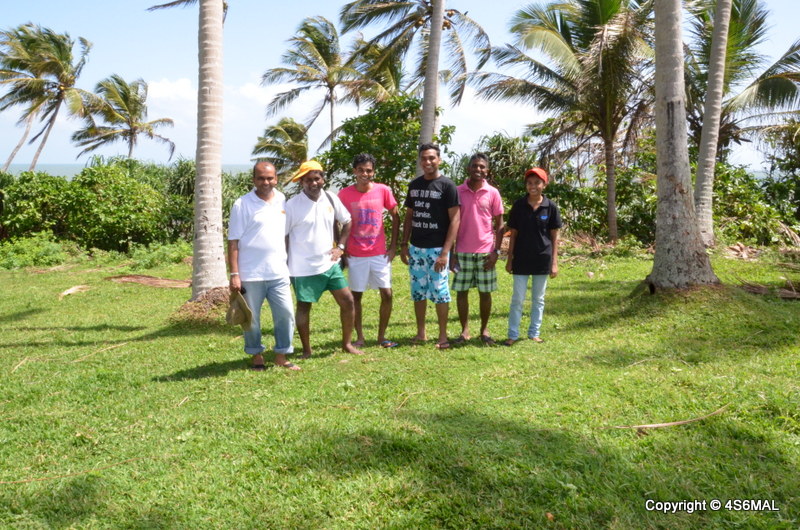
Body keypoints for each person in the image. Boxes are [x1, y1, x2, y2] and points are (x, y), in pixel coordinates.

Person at [285, 160, 364, 357]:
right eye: (308, 180)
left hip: (330, 264)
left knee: (348, 300)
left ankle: (347, 344)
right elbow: (283, 236)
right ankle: (307, 350)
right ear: (301, 182)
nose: (314, 183)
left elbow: (347, 221)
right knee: (304, 307)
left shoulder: (330, 198)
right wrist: (284, 263)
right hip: (302, 268)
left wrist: (341, 247)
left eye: (317, 179)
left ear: (323, 179)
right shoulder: (292, 205)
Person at [228, 161, 299, 370]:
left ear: (276, 179)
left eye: (270, 178)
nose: (265, 182)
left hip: (278, 272)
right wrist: (234, 274)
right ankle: (256, 355)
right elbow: (233, 242)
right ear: (254, 180)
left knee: (286, 314)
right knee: (251, 319)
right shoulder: (242, 204)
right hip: (251, 273)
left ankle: (282, 355)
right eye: (261, 178)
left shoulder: (282, 200)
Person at [400, 143, 460, 349]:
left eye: (432, 158)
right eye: (424, 158)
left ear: (439, 160)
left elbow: (455, 220)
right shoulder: (414, 185)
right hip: (416, 248)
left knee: (440, 293)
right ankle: (421, 333)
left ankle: (443, 336)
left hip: (437, 249)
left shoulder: (447, 186)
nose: (428, 162)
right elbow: (409, 215)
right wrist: (404, 243)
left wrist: (445, 252)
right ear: (420, 161)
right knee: (418, 291)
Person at [337, 153, 400, 348]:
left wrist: (393, 247)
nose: (365, 174)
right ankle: (360, 337)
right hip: (355, 254)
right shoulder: (344, 194)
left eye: (369, 170)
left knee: (387, 294)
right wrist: (341, 246)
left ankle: (381, 337)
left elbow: (396, 216)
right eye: (361, 170)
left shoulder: (383, 190)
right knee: (356, 296)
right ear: (354, 171)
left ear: (373, 172)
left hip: (380, 253)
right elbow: (336, 221)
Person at [450, 153, 504, 346]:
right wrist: (452, 253)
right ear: (468, 168)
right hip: (462, 252)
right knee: (461, 292)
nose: (478, 169)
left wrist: (496, 252)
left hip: (485, 252)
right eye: (474, 166)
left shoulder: (493, 193)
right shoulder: (457, 191)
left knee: (485, 293)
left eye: (482, 166)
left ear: (487, 170)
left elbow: (500, 225)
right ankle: (464, 331)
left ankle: (484, 330)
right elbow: (452, 223)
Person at [504, 167, 562, 345]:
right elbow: (513, 234)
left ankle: (534, 333)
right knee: (517, 299)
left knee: (538, 299)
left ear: (544, 184)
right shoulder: (519, 206)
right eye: (529, 183)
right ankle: (513, 334)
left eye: (537, 182)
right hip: (521, 259)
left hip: (542, 258)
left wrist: (554, 263)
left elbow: (554, 237)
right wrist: (509, 259)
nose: (533, 186)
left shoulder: (550, 207)